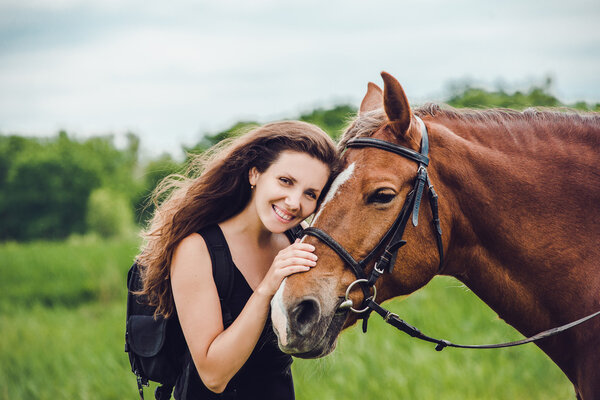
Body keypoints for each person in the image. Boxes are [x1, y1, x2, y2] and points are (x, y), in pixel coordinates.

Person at [135, 121, 339, 399]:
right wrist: (267, 287)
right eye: (286, 181)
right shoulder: (197, 249)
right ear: (255, 174)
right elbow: (213, 375)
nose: (294, 202)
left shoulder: (299, 242)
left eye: (310, 194)